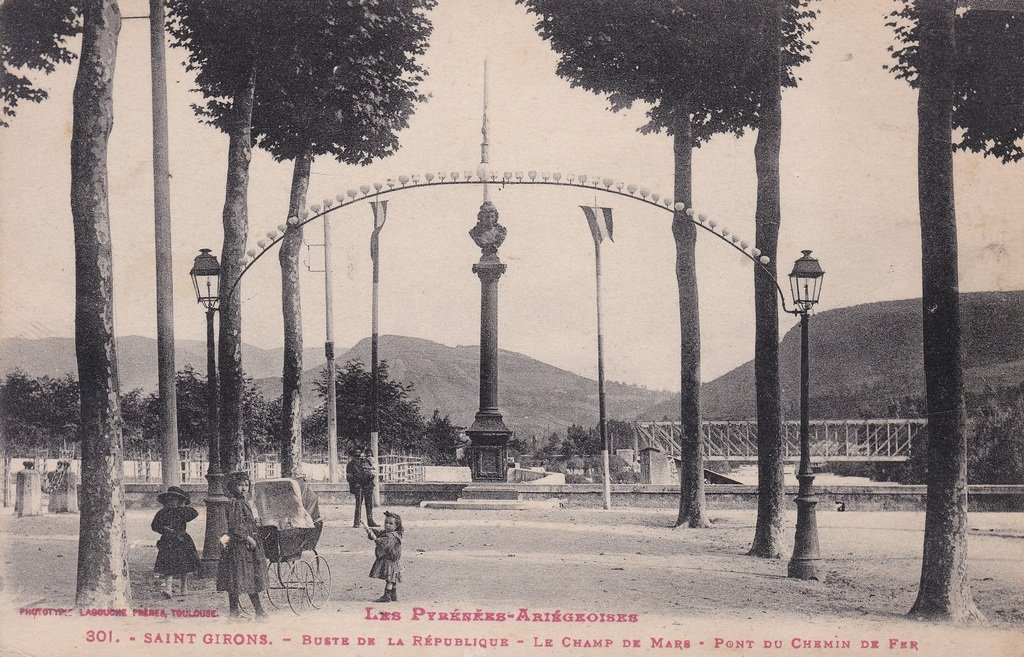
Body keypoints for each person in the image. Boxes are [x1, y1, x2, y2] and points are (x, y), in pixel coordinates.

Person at [217, 471, 268, 619]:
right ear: (233, 486)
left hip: (242, 545)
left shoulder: (243, 502)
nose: (243, 488)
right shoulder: (235, 503)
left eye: (246, 485)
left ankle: (237, 612)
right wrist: (248, 538)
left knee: (238, 578)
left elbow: (244, 521)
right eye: (240, 485)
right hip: (240, 546)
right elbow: (235, 526)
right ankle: (257, 612)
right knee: (245, 577)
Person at [151, 486, 200, 597]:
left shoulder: (182, 512)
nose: (172, 502)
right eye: (169, 499)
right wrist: (163, 529)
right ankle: (168, 589)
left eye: (175, 499)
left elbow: (194, 513)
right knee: (168, 566)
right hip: (168, 541)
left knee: (184, 566)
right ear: (165, 501)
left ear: (179, 501)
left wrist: (183, 505)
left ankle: (184, 587)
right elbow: (154, 526)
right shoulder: (162, 513)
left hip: (182, 540)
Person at [363, 510, 403, 602]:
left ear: (396, 526)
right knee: (392, 577)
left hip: (391, 560)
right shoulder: (387, 533)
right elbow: (380, 534)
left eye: (391, 524)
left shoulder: (392, 536)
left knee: (390, 578)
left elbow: (383, 543)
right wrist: (371, 531)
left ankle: (387, 595)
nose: (387, 525)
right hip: (389, 560)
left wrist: (375, 538)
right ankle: (393, 594)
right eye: (386, 522)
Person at [346, 448, 378, 528]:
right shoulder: (350, 464)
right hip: (358, 486)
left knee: (369, 504)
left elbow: (370, 471)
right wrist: (354, 484)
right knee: (359, 504)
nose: (358, 456)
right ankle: (357, 522)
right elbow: (349, 477)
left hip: (367, 485)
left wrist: (371, 477)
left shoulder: (365, 462)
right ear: (353, 455)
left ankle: (370, 521)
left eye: (359, 453)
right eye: (356, 454)